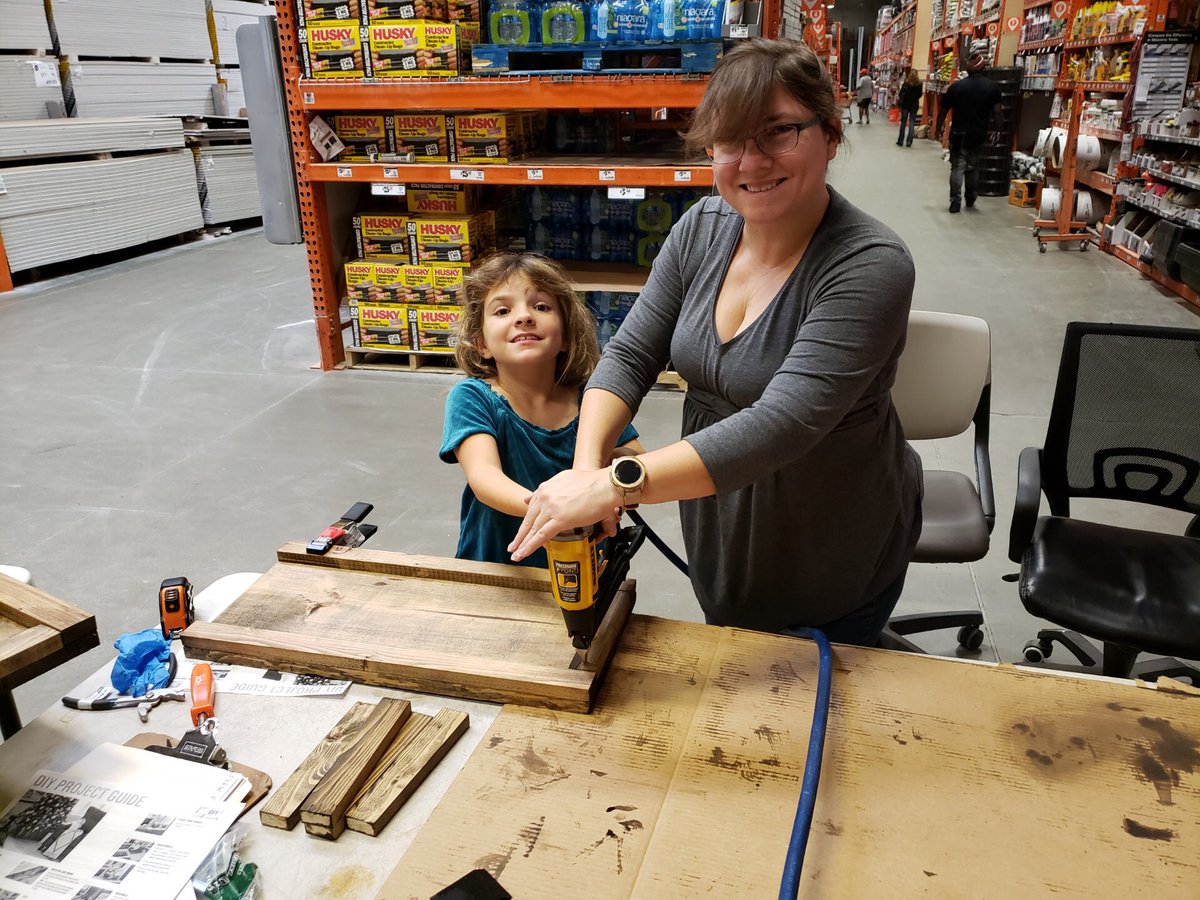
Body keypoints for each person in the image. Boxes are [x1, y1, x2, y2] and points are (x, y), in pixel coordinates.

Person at [509, 38, 923, 648]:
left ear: (830, 134)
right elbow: (629, 356)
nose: (751, 162)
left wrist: (615, 483)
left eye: (779, 132)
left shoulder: (870, 264)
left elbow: (784, 422)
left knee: (818, 697)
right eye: (730, 141)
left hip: (831, 535)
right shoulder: (701, 228)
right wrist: (586, 466)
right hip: (719, 523)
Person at [440, 253, 640, 569]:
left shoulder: (591, 396)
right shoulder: (473, 397)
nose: (524, 317)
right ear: (482, 345)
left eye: (541, 307)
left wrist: (609, 488)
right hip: (497, 569)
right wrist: (561, 510)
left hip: (585, 566)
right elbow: (484, 477)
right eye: (503, 310)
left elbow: (633, 458)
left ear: (565, 336)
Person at [935, 49, 1001, 213]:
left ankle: (955, 201)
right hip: (978, 134)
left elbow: (943, 110)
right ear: (983, 69)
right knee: (973, 167)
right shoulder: (992, 88)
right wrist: (999, 130)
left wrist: (937, 128)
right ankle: (970, 198)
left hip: (958, 134)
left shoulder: (956, 87)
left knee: (957, 167)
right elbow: (998, 112)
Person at [896, 69, 923, 148]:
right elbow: (920, 94)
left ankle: (900, 140)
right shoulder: (919, 83)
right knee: (912, 123)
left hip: (905, 104)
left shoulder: (906, 83)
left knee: (903, 122)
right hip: (914, 105)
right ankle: (909, 142)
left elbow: (901, 93)